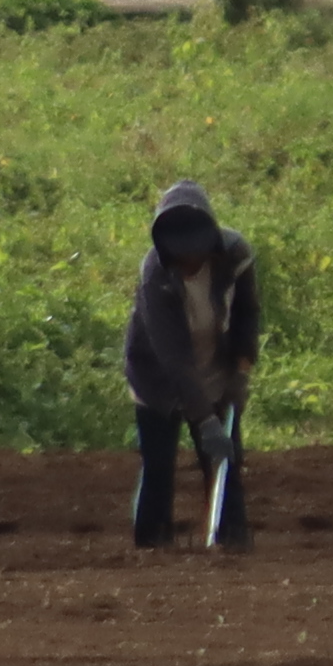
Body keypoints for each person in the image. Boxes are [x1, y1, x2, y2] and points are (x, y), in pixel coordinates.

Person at [125, 182, 262, 550]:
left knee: (225, 460)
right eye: (181, 255)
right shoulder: (155, 274)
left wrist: (241, 373)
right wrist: (205, 421)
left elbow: (248, 314)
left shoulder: (237, 255)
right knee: (158, 464)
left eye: (196, 254)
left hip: (216, 366)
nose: (190, 262)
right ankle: (152, 544)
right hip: (158, 378)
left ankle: (232, 539)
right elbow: (173, 357)